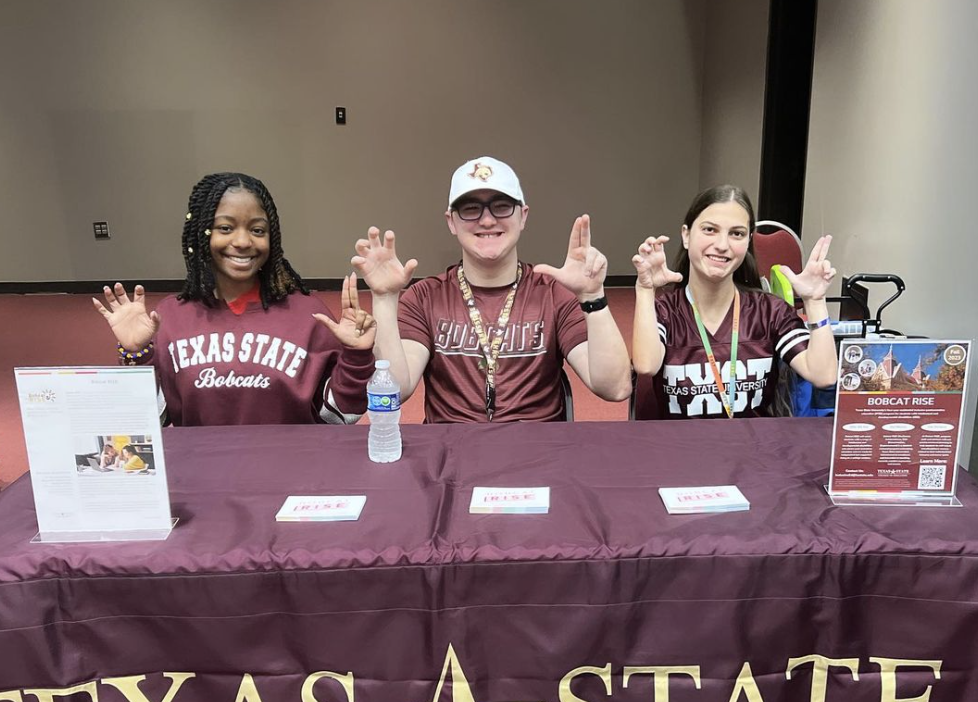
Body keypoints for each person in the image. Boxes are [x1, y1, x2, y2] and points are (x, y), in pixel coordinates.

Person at [352, 156, 632, 422]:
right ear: (451, 221)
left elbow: (615, 388)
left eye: (501, 206)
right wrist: (385, 299)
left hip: (539, 455)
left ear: (523, 216)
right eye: (471, 208)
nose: (487, 220)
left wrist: (592, 297)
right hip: (450, 455)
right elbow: (397, 389)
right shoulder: (425, 297)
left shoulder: (553, 294)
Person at [92, 172, 376, 426]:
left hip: (292, 474)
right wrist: (137, 355)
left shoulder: (308, 314)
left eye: (257, 230)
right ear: (201, 235)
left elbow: (339, 417)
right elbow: (154, 421)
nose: (242, 242)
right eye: (225, 228)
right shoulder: (170, 317)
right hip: (200, 479)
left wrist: (357, 356)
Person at [631, 184, 838, 419]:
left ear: (748, 242)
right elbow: (646, 366)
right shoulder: (666, 310)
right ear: (686, 235)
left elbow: (824, 376)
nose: (722, 245)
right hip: (682, 451)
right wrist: (646, 289)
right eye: (710, 230)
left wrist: (814, 301)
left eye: (736, 234)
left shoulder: (769, 311)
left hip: (753, 451)